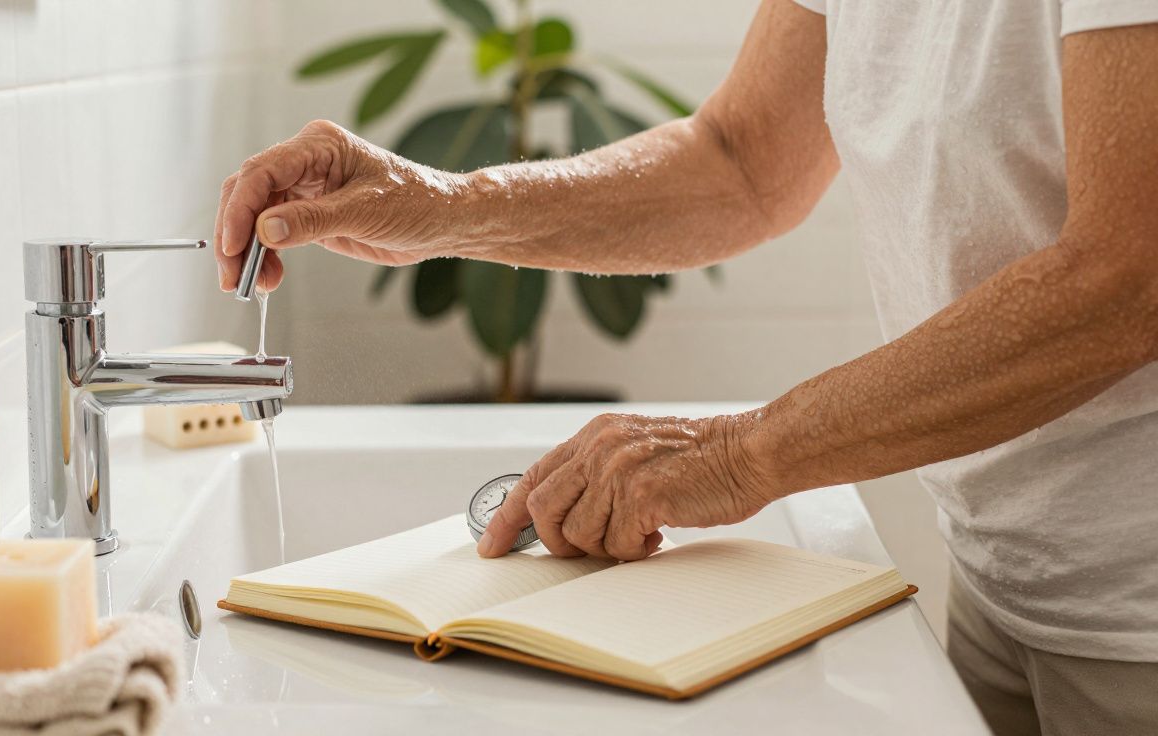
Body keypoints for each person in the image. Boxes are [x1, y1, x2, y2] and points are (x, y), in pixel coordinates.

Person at [214, 1, 1157, 732]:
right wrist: (443, 204)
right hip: (1008, 575)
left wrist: (742, 454)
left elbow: (1129, 276)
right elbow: (741, 162)